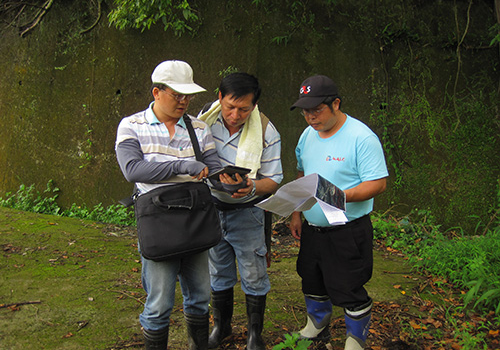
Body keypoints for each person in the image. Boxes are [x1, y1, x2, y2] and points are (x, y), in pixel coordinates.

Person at [115, 60, 229, 350]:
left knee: (201, 295)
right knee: (159, 302)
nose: (184, 101)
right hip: (158, 222)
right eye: (177, 95)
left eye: (187, 96)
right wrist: (183, 166)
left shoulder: (199, 128)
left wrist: (231, 181)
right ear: (156, 92)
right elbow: (133, 170)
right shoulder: (131, 125)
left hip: (195, 218)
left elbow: (212, 170)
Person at [289, 75, 388, 350]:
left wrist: (342, 196)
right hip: (313, 227)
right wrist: (297, 213)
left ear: (335, 104)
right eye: (305, 111)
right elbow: (302, 172)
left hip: (347, 228)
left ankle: (356, 338)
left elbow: (378, 183)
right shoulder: (308, 135)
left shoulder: (361, 137)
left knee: (349, 284)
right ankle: (317, 324)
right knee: (311, 277)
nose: (310, 117)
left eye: (317, 110)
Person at [197, 72, 283, 350]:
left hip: (247, 212)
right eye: (230, 106)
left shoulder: (267, 131)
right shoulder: (203, 121)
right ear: (219, 97)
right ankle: (221, 327)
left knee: (254, 273)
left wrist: (252, 187)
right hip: (212, 210)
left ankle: (254, 335)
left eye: (244, 109)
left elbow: (274, 180)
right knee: (218, 271)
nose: (235, 115)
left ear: (254, 105)